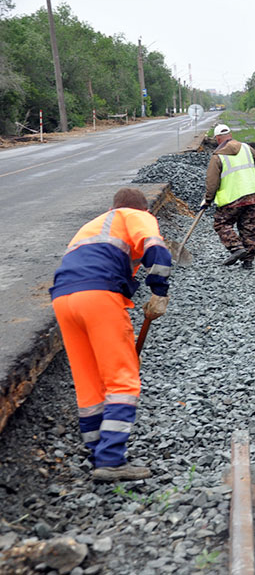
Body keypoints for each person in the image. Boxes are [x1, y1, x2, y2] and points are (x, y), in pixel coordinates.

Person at [49, 188, 171, 482]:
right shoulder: (137, 216)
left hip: (63, 299)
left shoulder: (94, 225)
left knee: (89, 384)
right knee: (122, 379)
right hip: (99, 296)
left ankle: (97, 455)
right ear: (145, 210)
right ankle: (112, 459)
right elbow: (157, 251)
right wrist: (159, 292)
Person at [202, 124, 255, 269]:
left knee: (221, 224)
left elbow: (212, 182)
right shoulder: (248, 149)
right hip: (251, 195)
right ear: (230, 134)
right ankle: (248, 261)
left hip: (231, 199)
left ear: (218, 138)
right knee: (249, 227)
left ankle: (236, 248)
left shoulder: (218, 156)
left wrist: (208, 200)